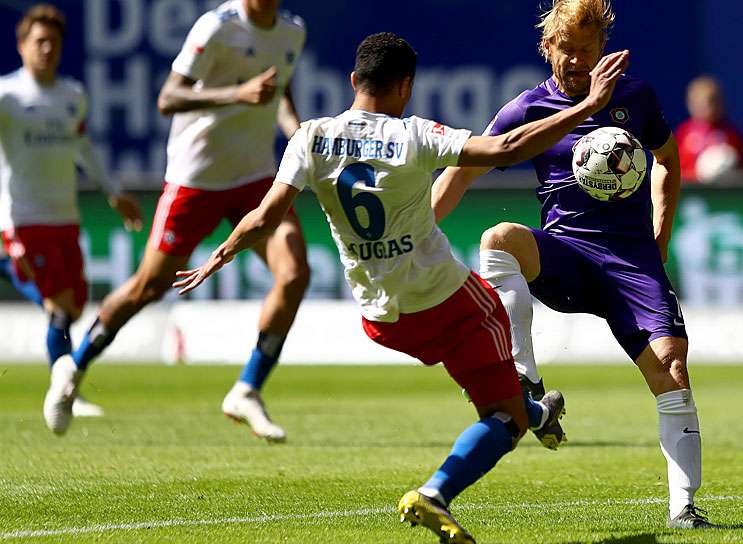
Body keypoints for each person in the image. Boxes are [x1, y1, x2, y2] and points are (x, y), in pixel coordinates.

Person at [173, 32, 627, 544]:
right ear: (405, 86)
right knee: (502, 412)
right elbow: (506, 147)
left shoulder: (311, 137)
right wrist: (588, 105)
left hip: (383, 320)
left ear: (353, 81)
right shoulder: (414, 135)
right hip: (450, 302)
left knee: (492, 383)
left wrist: (221, 252)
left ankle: (535, 410)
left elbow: (266, 215)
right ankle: (456, 473)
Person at [431, 0, 714, 529]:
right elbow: (465, 169)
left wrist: (660, 235)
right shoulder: (527, 109)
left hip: (632, 261)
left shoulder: (636, 97)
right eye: (568, 50)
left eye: (589, 50)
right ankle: (526, 381)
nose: (580, 61)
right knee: (500, 238)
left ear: (603, 49)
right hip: (568, 256)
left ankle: (684, 508)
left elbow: (668, 161)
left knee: (673, 370)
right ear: (547, 48)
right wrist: (418, 227)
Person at [44, 0, 309, 441]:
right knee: (148, 286)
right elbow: (168, 97)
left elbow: (280, 92)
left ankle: (247, 388)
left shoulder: (292, 32)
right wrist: (236, 93)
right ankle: (73, 366)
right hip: (196, 178)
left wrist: (297, 132)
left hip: (255, 177)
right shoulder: (217, 27)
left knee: (295, 271)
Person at [0, 4, 142, 418]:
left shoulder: (72, 95)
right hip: (23, 219)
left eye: (54, 42)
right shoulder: (7, 96)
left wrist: (114, 191)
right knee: (59, 304)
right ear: (22, 46)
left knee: (75, 307)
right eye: (39, 41)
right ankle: (65, 391)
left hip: (65, 217)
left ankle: (65, 387)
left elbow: (84, 149)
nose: (47, 48)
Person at [675, 75, 743, 182]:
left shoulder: (732, 134)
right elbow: (675, 168)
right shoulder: (684, 132)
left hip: (723, 194)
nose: (705, 107)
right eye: (698, 102)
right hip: (692, 193)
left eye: (712, 101)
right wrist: (697, 173)